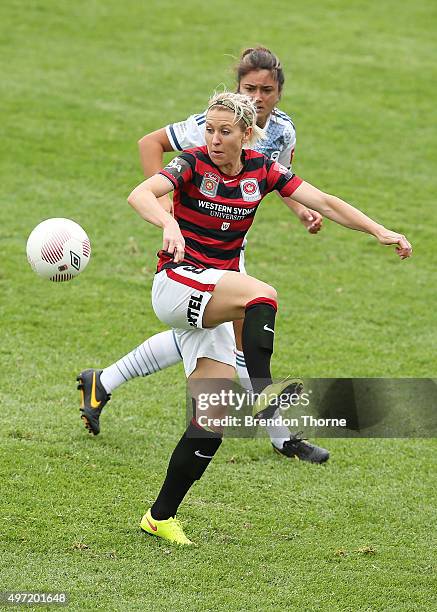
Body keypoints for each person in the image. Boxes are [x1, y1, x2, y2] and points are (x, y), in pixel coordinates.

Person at [123, 91, 411, 544]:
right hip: (177, 284)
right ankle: (263, 393)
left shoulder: (263, 169)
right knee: (262, 293)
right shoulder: (191, 164)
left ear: (246, 134)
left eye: (224, 131)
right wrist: (167, 222)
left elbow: (326, 201)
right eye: (210, 130)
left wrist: (380, 230)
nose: (214, 139)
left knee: (212, 418)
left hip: (213, 294)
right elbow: (140, 193)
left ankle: (159, 516)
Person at [78, 47, 329, 463]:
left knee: (206, 333)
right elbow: (151, 144)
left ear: (279, 94)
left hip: (231, 247)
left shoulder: (282, 132)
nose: (257, 97)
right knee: (241, 323)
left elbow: (278, 181)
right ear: (236, 89)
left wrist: (303, 211)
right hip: (194, 248)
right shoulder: (211, 126)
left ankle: (102, 381)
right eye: (249, 88)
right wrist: (167, 212)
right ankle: (281, 434)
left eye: (266, 90)